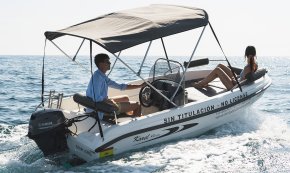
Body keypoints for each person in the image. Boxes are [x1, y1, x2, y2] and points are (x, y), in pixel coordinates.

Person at [86, 53, 145, 119]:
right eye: (107, 61)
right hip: (99, 110)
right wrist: (110, 102)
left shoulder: (101, 76)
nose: (110, 63)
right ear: (101, 64)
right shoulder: (97, 78)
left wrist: (140, 86)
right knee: (138, 105)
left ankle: (129, 117)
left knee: (125, 98)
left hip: (101, 104)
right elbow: (96, 98)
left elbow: (120, 86)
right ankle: (135, 123)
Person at [192, 46, 258, 90]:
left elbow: (240, 83)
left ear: (246, 54)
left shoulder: (248, 67)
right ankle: (204, 82)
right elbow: (244, 77)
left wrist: (233, 80)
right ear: (254, 54)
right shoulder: (254, 64)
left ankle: (200, 84)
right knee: (220, 65)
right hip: (237, 79)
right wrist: (236, 77)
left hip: (234, 86)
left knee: (217, 70)